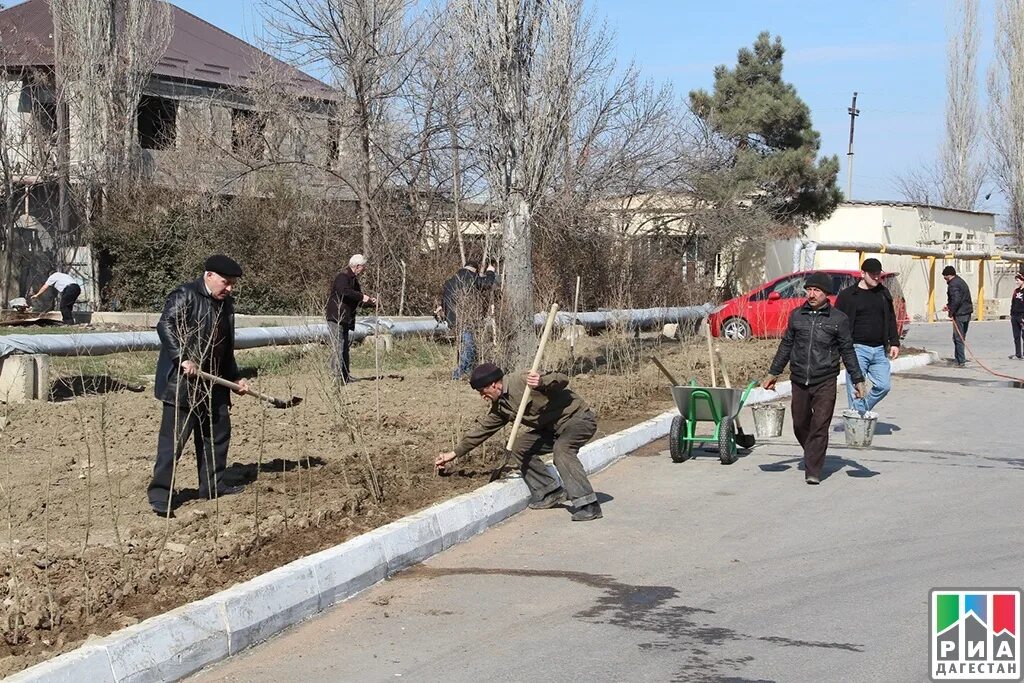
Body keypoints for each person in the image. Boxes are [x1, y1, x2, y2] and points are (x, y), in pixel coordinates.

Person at [147, 255, 250, 516]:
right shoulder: (185, 295)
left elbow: (226, 348)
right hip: (184, 383)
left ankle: (213, 485)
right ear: (209, 276)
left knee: (216, 436)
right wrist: (182, 357)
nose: (229, 289)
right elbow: (165, 324)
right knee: (174, 442)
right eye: (226, 283)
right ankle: (161, 494)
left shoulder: (226, 305)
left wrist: (235, 377)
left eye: (233, 284)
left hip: (215, 383)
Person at [434, 362, 603, 521]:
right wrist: (453, 454)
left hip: (577, 420)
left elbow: (562, 379)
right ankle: (550, 491)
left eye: (482, 392)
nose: (482, 397)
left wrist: (541, 381)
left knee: (562, 450)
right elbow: (482, 431)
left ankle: (588, 504)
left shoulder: (522, 380)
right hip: (551, 430)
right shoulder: (501, 406)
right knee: (519, 446)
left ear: (494, 385)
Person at [762, 272, 866, 485]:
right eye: (809, 290)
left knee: (819, 425)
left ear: (826, 294)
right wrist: (774, 372)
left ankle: (813, 470)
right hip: (799, 378)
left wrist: (858, 379)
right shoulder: (796, 316)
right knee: (800, 424)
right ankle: (814, 451)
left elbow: (847, 351)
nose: (811, 294)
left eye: (816, 290)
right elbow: (786, 346)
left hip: (825, 379)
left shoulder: (838, 319)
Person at [834, 258, 900, 414]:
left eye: (878, 274)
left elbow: (890, 318)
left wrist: (895, 342)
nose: (877, 277)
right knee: (856, 389)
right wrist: (837, 348)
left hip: (879, 349)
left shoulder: (883, 293)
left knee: (884, 386)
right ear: (862, 273)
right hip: (856, 349)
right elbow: (837, 322)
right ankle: (857, 427)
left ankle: (860, 412)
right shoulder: (848, 295)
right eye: (873, 274)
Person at [438, 260, 496, 379]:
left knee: (465, 346)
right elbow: (487, 284)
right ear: (475, 270)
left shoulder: (449, 282)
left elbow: (444, 302)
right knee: (469, 347)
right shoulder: (470, 278)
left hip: (453, 320)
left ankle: (468, 372)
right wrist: (490, 272)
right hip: (466, 319)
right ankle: (459, 374)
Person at [325, 254, 376, 383]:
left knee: (345, 347)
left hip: (345, 317)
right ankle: (336, 377)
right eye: (363, 267)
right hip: (337, 316)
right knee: (338, 346)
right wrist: (361, 296)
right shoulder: (343, 276)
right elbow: (344, 291)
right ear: (357, 266)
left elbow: (356, 298)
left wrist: (369, 301)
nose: (364, 270)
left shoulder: (353, 279)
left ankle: (345, 376)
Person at [941, 265, 974, 367]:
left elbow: (956, 299)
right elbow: (957, 298)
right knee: (961, 336)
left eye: (945, 276)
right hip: (967, 312)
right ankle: (959, 358)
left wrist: (951, 312)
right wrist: (948, 306)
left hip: (960, 314)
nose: (944, 279)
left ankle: (960, 361)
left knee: (958, 337)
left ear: (949, 275)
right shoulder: (960, 281)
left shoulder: (953, 284)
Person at [1009, 272, 1024, 360]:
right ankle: (1018, 354)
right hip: (1015, 316)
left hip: (1022, 316)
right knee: (1016, 336)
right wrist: (1011, 314)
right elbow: (1013, 303)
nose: (1016, 282)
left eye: (1018, 280)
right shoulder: (1016, 291)